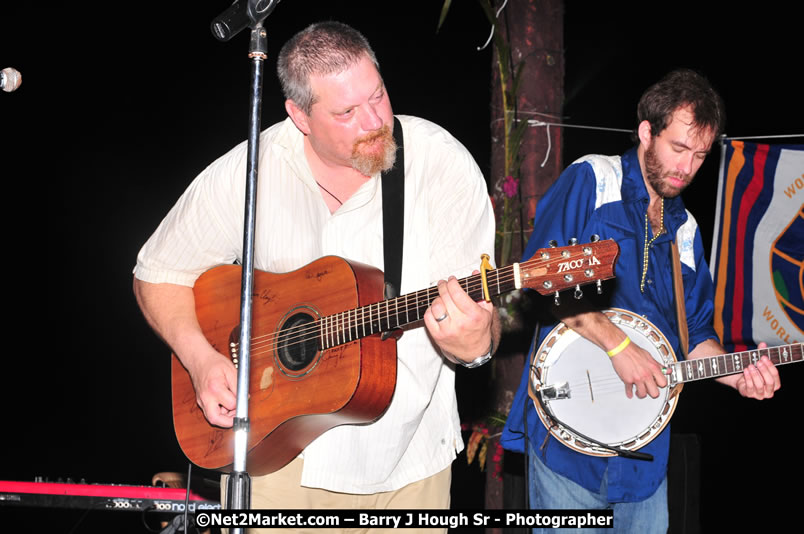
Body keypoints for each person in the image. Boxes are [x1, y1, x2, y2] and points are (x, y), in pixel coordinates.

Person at [133, 21, 499, 530]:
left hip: (407, 459)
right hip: (281, 456)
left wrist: (476, 339)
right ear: (300, 116)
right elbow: (158, 272)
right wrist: (199, 359)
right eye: (347, 112)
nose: (375, 121)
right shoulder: (253, 169)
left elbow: (474, 325)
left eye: (378, 96)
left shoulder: (440, 164)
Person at [501, 69, 780, 533]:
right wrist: (618, 347)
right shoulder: (592, 179)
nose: (687, 167)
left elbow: (695, 337)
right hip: (569, 441)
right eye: (677, 148)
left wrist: (739, 376)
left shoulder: (686, 231)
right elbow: (542, 277)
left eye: (700, 155)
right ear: (646, 132)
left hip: (645, 459)